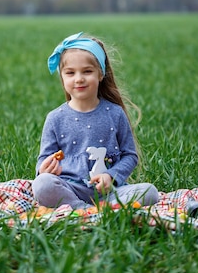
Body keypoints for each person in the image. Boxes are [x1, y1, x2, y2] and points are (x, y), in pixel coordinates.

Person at [32, 32, 160, 209]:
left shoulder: (115, 114)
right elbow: (44, 158)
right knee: (42, 184)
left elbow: (130, 155)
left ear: (100, 74)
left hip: (109, 193)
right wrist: (43, 170)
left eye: (87, 71)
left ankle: (95, 209)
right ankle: (84, 209)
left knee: (150, 192)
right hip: (70, 189)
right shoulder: (55, 118)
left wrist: (111, 176)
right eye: (70, 73)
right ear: (62, 77)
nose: (79, 78)